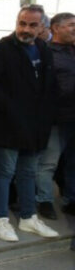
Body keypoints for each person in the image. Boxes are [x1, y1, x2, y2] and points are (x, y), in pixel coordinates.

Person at [0, 4, 59, 242]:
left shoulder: (43, 50)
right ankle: (1, 219)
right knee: (5, 171)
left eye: (32, 25)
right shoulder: (1, 50)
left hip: (36, 127)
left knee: (28, 172)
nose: (25, 29)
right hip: (9, 125)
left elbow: (49, 87)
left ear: (42, 27)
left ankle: (28, 217)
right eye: (22, 23)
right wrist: (13, 112)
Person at [48, 13, 75, 216]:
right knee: (50, 162)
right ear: (56, 28)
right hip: (57, 118)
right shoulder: (47, 52)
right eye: (71, 25)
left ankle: (71, 199)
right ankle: (42, 201)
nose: (74, 29)